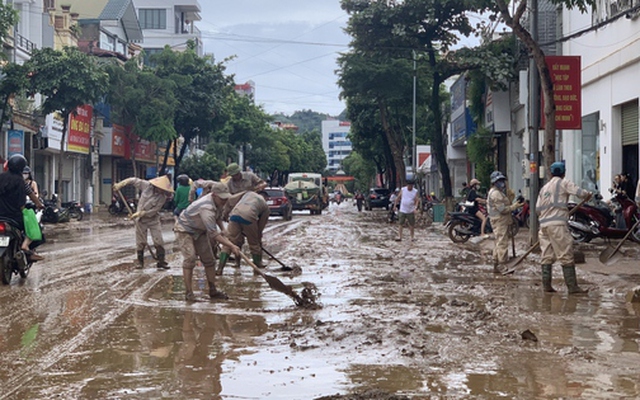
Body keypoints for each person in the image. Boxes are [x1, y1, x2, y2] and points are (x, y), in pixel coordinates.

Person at [174, 182, 241, 302]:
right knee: (190, 259)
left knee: (209, 260)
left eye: (226, 198)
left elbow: (218, 217)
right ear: (214, 195)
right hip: (185, 229)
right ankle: (189, 293)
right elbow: (213, 234)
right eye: (222, 198)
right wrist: (232, 245)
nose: (224, 201)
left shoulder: (219, 202)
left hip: (200, 231)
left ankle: (213, 290)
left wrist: (224, 230)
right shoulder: (206, 207)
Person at [536, 161, 592, 294]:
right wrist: (588, 194)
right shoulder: (564, 183)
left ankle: (546, 286)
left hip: (543, 225)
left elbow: (538, 209)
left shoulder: (544, 188)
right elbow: (580, 193)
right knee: (565, 254)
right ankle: (573, 288)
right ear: (563, 172)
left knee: (547, 255)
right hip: (557, 226)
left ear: (550, 173)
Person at [113, 175, 174, 270]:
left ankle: (161, 261)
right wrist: (122, 184)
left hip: (153, 220)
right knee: (140, 242)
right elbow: (133, 180)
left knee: (158, 241)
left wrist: (141, 213)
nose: (162, 191)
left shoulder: (162, 197)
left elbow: (154, 210)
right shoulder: (146, 186)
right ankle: (140, 262)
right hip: (140, 221)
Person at [0, 154, 45, 261]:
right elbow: (30, 196)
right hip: (14, 216)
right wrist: (39, 205)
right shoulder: (20, 181)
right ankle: (25, 245)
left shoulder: (1, 177)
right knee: (33, 227)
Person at [216, 190, 270, 275]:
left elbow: (230, 200)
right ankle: (257, 268)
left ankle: (220, 269)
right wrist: (257, 237)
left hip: (234, 215)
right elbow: (260, 226)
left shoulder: (247, 194)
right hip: (249, 216)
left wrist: (225, 214)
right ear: (266, 198)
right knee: (254, 244)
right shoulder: (265, 206)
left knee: (229, 242)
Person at [487, 171, 523, 273]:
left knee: (498, 242)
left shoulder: (498, 193)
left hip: (500, 220)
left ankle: (496, 264)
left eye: (502, 180)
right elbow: (503, 210)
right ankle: (502, 265)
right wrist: (514, 206)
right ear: (494, 182)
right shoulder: (496, 194)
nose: (502, 183)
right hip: (499, 221)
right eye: (499, 181)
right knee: (502, 243)